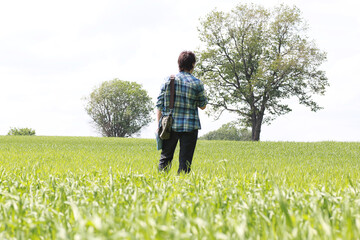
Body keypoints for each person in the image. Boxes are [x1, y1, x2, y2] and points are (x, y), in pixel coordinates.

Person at [156, 51, 208, 174]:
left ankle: (159, 186)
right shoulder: (197, 83)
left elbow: (159, 104)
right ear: (193, 64)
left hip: (170, 125)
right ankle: (183, 189)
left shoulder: (168, 80)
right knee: (185, 162)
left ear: (179, 64)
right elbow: (203, 106)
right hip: (190, 127)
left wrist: (159, 126)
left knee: (165, 159)